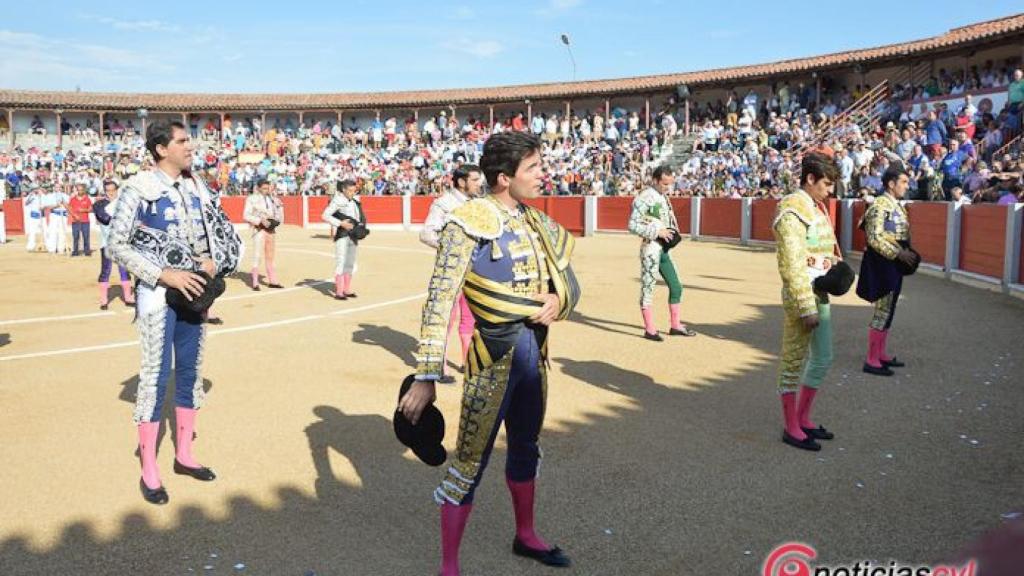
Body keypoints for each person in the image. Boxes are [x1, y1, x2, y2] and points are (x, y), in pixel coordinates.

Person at [398, 131, 580, 576]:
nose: (543, 174)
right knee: (469, 460)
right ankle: (449, 566)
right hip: (492, 358)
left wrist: (558, 302)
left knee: (526, 445)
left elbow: (567, 283)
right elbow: (441, 297)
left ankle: (526, 535)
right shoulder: (467, 222)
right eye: (534, 167)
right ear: (504, 177)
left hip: (534, 355)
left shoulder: (537, 222)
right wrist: (426, 375)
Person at [107, 121, 241, 505]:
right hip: (157, 295)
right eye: (182, 141)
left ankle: (184, 454)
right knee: (152, 376)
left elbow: (215, 235)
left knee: (190, 371)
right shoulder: (139, 188)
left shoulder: (197, 187)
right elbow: (117, 245)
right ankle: (149, 467)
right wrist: (164, 274)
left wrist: (213, 262)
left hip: (195, 293)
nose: (190, 147)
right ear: (161, 148)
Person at [771, 151, 841, 452]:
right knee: (792, 362)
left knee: (823, 356)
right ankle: (791, 427)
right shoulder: (792, 211)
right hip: (803, 297)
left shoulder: (814, 206)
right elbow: (792, 265)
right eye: (825, 184)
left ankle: (803, 418)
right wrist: (805, 306)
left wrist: (832, 262)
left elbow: (817, 250)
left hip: (819, 290)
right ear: (809, 179)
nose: (830, 191)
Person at [419, 164, 484, 384]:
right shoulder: (444, 204)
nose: (479, 184)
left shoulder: (477, 204)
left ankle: (467, 362)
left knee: (470, 317)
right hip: (451, 270)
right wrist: (450, 248)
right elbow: (427, 233)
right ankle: (441, 367)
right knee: (445, 318)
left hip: (474, 270)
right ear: (461, 181)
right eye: (475, 180)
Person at [856, 166, 915, 377]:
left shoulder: (893, 205)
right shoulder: (880, 205)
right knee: (882, 309)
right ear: (891, 183)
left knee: (889, 308)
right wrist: (899, 254)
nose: (907, 186)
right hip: (882, 263)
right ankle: (871, 359)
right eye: (904, 182)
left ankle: (880, 354)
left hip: (891, 263)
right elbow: (874, 237)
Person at [627, 165, 696, 341]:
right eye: (665, 183)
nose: (668, 187)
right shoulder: (644, 198)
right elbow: (632, 225)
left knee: (676, 286)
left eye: (670, 184)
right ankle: (649, 329)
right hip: (650, 248)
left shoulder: (662, 196)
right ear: (656, 181)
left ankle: (675, 325)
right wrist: (657, 233)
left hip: (663, 249)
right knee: (648, 287)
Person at [93, 180, 134, 309]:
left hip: (123, 243)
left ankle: (127, 298)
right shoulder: (99, 205)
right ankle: (104, 300)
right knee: (105, 270)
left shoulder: (123, 203)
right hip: (107, 243)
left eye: (113, 190)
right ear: (105, 192)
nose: (111, 193)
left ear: (117, 190)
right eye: (108, 191)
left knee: (124, 270)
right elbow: (104, 219)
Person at [321, 179, 364, 300]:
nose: (352, 193)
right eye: (349, 190)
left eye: (353, 190)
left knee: (350, 262)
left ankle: (346, 289)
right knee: (341, 261)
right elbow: (325, 215)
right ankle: (339, 292)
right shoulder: (337, 200)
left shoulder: (355, 201)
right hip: (342, 234)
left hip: (353, 235)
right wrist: (340, 223)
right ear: (344, 190)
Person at [243, 178, 285, 290]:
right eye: (264, 188)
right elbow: (246, 215)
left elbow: (279, 216)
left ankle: (273, 281)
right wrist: (260, 221)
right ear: (258, 188)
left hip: (271, 230)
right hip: (259, 230)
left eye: (268, 188)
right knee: (257, 256)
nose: (267, 190)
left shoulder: (273, 199)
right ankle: (255, 283)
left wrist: (279, 209)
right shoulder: (251, 199)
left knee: (270, 257)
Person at [69, 184, 93, 256]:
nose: (80, 191)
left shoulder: (87, 199)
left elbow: (91, 209)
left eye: (81, 190)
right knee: (75, 237)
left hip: (85, 221)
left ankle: (87, 252)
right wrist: (74, 215)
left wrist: (83, 210)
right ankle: (75, 252)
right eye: (78, 190)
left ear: (84, 190)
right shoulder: (73, 199)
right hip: (75, 221)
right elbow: (70, 209)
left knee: (86, 237)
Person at [23, 183, 46, 252]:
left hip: (42, 216)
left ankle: (48, 246)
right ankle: (30, 247)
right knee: (32, 232)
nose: (36, 190)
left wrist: (43, 206)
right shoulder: (30, 196)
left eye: (36, 188)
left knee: (45, 231)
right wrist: (31, 196)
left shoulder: (42, 195)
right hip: (34, 216)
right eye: (34, 189)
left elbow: (46, 203)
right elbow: (26, 203)